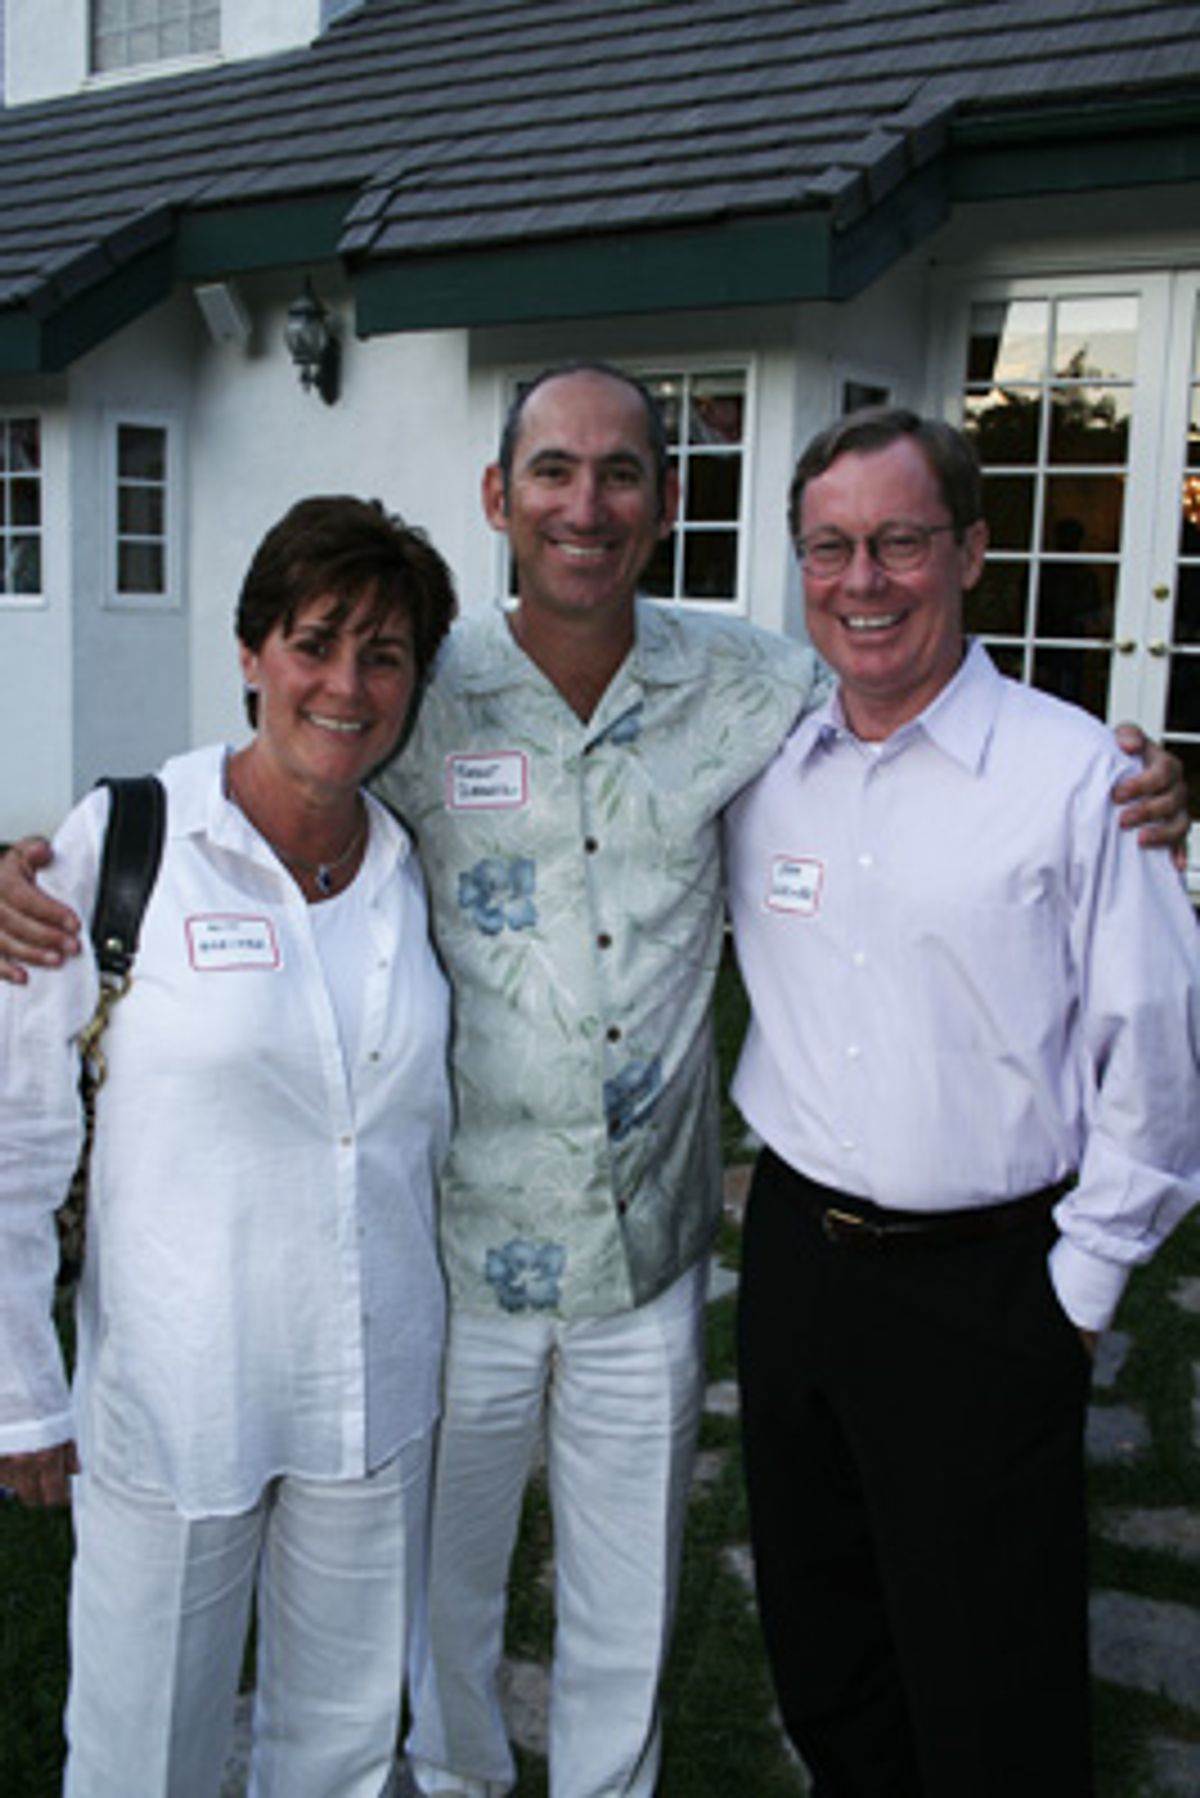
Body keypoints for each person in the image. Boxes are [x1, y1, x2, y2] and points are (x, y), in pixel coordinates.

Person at [0, 370, 1188, 1798]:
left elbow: (911, 701)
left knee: (630, 1611)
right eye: (551, 470)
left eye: (622, 472)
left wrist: (1141, 783)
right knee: (435, 1611)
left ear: (666, 504)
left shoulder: (763, 685)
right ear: (501, 499)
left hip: (650, 1259)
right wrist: (38, 866)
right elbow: (263, 789)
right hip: (450, 1264)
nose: (587, 502)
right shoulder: (415, 694)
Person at [725, 407, 1200, 1798]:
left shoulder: (1080, 778)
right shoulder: (763, 768)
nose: (862, 580)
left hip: (990, 1286)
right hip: (798, 1271)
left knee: (995, 1679)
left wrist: (1082, 1282)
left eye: (899, 542)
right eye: (830, 547)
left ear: (971, 550)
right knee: (826, 1646)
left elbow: (1160, 1045)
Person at [0, 496, 457, 1798]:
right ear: (252, 651)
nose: (346, 684)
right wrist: (22, 1388)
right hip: (178, 1398)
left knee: (345, 1747)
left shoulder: (409, 864)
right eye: (316, 641)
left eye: (384, 654)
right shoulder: (124, 847)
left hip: (371, 1395)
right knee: (146, 1750)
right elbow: (13, 1137)